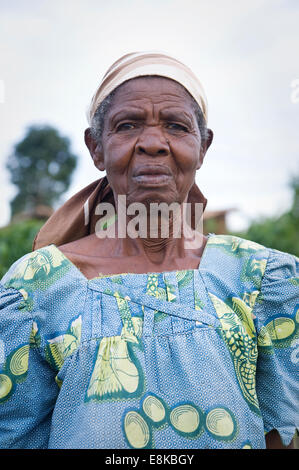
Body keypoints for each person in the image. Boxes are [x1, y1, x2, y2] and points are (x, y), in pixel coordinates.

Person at [0, 52, 298, 449]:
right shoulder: (35, 290)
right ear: (97, 148)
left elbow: (285, 435)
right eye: (127, 126)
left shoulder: (261, 281)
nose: (154, 144)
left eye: (176, 126)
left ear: (203, 147)